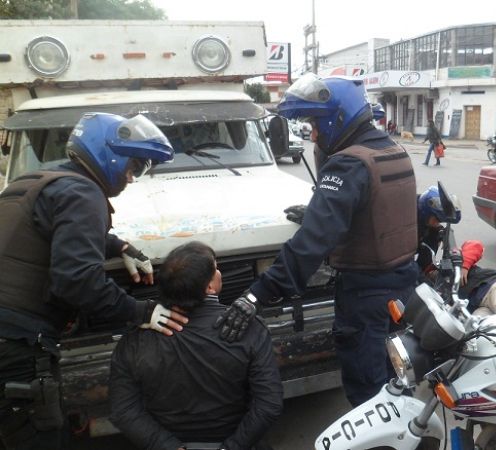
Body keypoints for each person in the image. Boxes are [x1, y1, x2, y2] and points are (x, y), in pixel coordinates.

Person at [214, 74, 418, 407]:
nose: (314, 133)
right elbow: (375, 208)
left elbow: (310, 245)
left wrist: (256, 296)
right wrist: (318, 209)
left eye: (314, 123)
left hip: (365, 299)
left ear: (337, 118)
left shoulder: (349, 163)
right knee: (399, 380)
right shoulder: (392, 150)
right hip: (404, 289)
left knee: (370, 397)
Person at [0, 112, 183, 450]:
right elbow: (77, 281)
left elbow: (54, 231)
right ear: (107, 153)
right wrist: (141, 312)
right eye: (135, 165)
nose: (132, 177)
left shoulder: (36, 180)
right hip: (17, 345)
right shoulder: (84, 194)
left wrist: (117, 245)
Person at [110, 242, 282, 450]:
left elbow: (123, 411)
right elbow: (269, 405)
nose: (219, 272)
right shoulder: (249, 329)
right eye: (216, 268)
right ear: (210, 286)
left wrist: (167, 446)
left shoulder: (133, 341)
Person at [416, 185, 462, 279]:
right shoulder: (409, 221)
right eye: (436, 219)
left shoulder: (428, 220)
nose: (437, 223)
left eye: (439, 220)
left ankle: (426, 270)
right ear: (426, 213)